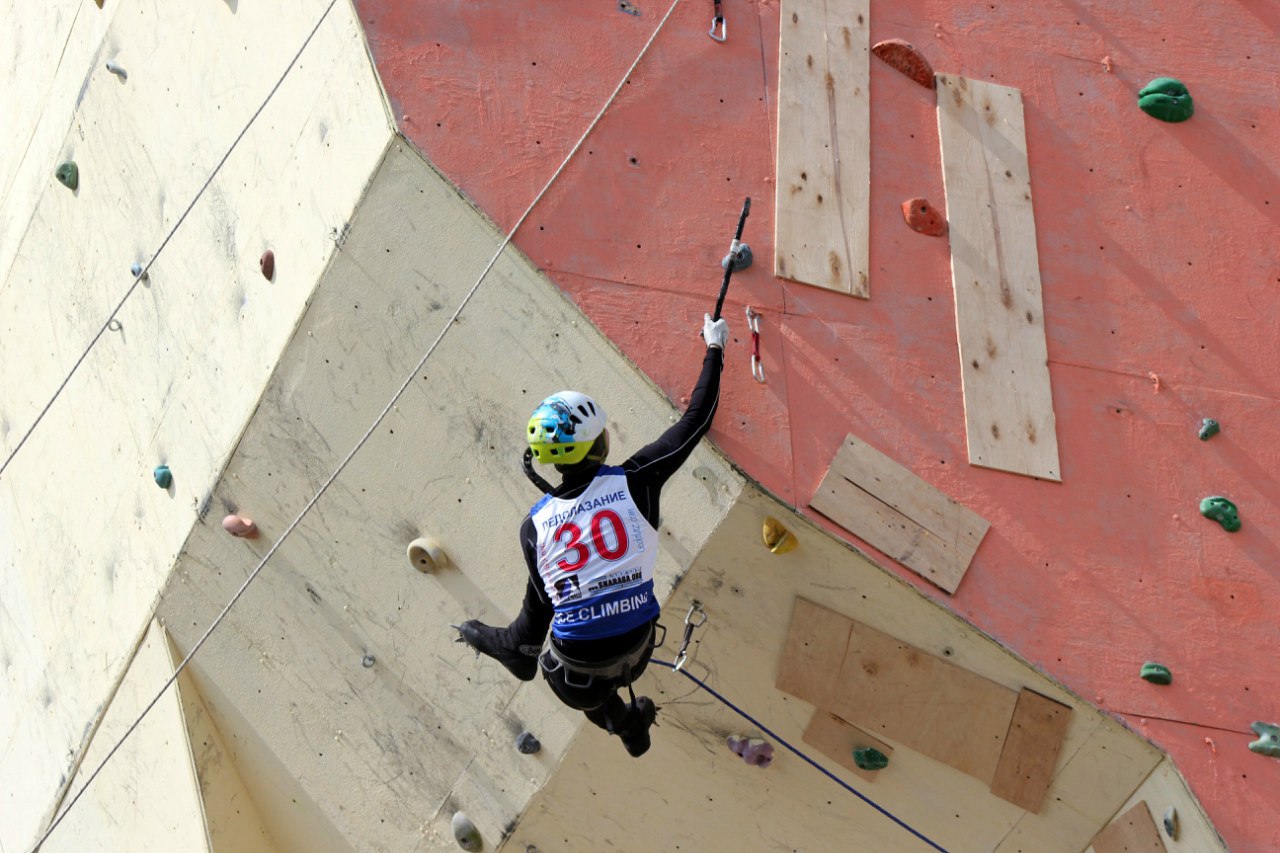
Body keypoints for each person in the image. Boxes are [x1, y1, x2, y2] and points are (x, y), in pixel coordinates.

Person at [456, 313, 729, 757]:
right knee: (566, 593)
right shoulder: (637, 480)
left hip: (578, 678)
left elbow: (543, 607)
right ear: (598, 445)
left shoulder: (534, 526)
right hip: (637, 649)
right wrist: (714, 347)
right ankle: (528, 655)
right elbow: (695, 421)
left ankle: (525, 653)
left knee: (552, 597)